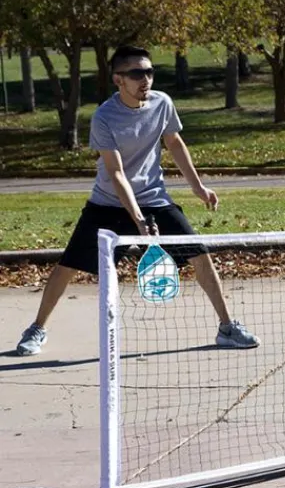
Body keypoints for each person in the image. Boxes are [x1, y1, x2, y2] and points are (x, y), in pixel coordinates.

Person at [15, 45, 259, 356]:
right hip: (107, 203)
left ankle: (227, 327)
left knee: (200, 254)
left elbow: (174, 142)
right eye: (136, 73)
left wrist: (198, 187)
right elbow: (116, 174)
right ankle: (37, 328)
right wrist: (138, 221)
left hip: (154, 199)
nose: (145, 79)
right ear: (119, 80)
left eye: (149, 72)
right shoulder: (104, 117)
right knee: (68, 266)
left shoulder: (162, 103)